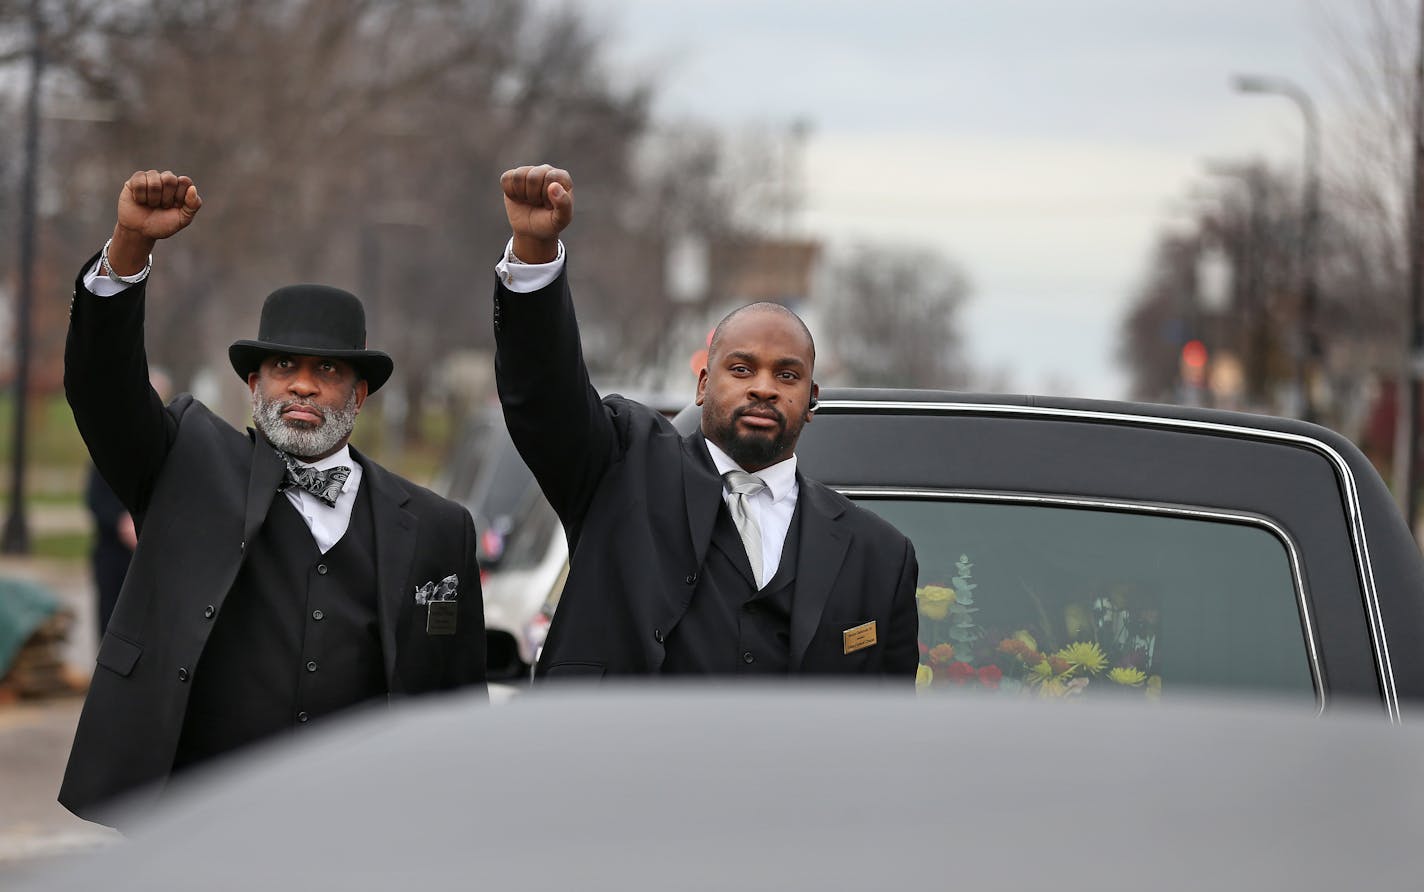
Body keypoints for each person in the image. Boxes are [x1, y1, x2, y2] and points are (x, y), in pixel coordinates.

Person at [60, 170, 487, 826]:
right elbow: (102, 387)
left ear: (359, 395)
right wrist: (128, 250)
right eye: (285, 368)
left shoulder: (437, 529)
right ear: (255, 384)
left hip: (359, 831)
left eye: (329, 371)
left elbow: (457, 709)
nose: (305, 387)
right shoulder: (187, 465)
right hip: (200, 818)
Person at [493, 164, 918, 680]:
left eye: (787, 375)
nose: (763, 386)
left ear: (811, 400)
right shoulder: (621, 467)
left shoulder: (878, 556)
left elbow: (882, 730)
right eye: (741, 369)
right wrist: (534, 255)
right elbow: (545, 395)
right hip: (616, 756)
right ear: (701, 385)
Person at [86, 369, 170, 641]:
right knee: (109, 622)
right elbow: (94, 497)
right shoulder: (108, 440)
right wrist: (120, 521)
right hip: (113, 551)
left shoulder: (172, 444)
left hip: (152, 552)